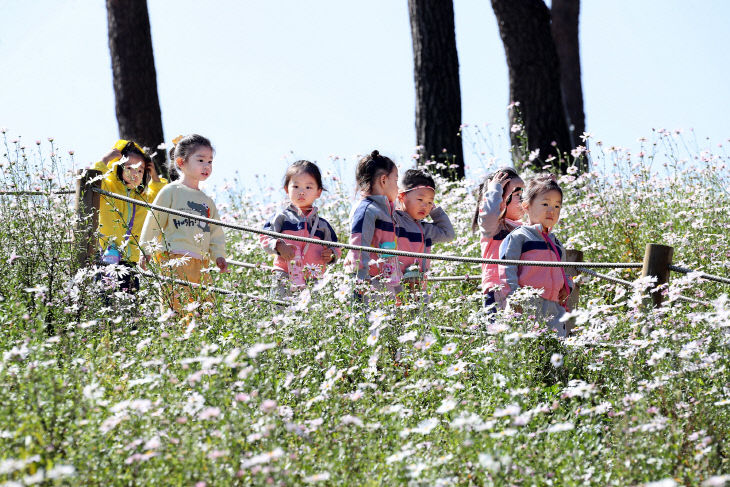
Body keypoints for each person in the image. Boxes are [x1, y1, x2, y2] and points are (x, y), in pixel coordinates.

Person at [139, 134, 227, 313]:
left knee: (204, 307)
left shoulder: (206, 200)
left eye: (210, 162)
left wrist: (218, 255)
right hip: (174, 258)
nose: (206, 166)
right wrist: (146, 250)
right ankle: (173, 337)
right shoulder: (171, 191)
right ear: (181, 162)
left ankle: (200, 340)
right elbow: (155, 220)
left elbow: (215, 231)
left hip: (201, 263)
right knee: (176, 304)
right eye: (200, 160)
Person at [498, 174, 573, 337]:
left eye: (557, 206)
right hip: (526, 305)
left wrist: (567, 287)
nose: (551, 210)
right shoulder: (519, 237)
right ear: (526, 206)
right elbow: (506, 268)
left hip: (554, 306)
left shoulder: (557, 244)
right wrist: (514, 297)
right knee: (529, 350)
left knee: (555, 347)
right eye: (545, 204)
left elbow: (565, 271)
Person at [91, 139, 167, 292]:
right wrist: (106, 160)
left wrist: (155, 177)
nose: (135, 174)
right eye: (129, 168)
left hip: (131, 261)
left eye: (140, 170)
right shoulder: (108, 187)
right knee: (106, 297)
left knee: (131, 303)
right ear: (118, 167)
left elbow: (161, 201)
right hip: (108, 255)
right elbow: (92, 180)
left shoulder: (141, 197)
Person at [259, 160, 340, 298]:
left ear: (318, 192)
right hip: (284, 272)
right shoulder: (281, 217)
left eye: (308, 187)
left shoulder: (323, 225)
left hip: (314, 277)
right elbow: (264, 237)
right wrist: (278, 246)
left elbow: (336, 248)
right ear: (286, 189)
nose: (301, 192)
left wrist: (331, 255)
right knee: (280, 310)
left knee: (311, 315)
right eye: (296, 186)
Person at [344, 150, 399, 291]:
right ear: (383, 180)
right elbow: (359, 247)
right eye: (396, 181)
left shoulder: (387, 211)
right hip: (368, 284)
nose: (398, 187)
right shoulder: (366, 209)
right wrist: (360, 281)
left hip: (385, 282)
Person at [394, 169, 455, 292]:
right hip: (395, 284)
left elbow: (448, 234)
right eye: (420, 200)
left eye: (430, 202)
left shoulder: (425, 228)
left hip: (419, 287)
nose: (425, 206)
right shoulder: (394, 219)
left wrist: (434, 210)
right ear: (401, 196)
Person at [472, 167, 525, 310]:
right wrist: (494, 190)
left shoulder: (526, 227)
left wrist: (545, 193)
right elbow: (489, 213)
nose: (524, 200)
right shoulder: (494, 227)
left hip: (522, 289)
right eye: (518, 195)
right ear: (500, 199)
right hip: (497, 289)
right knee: (498, 331)